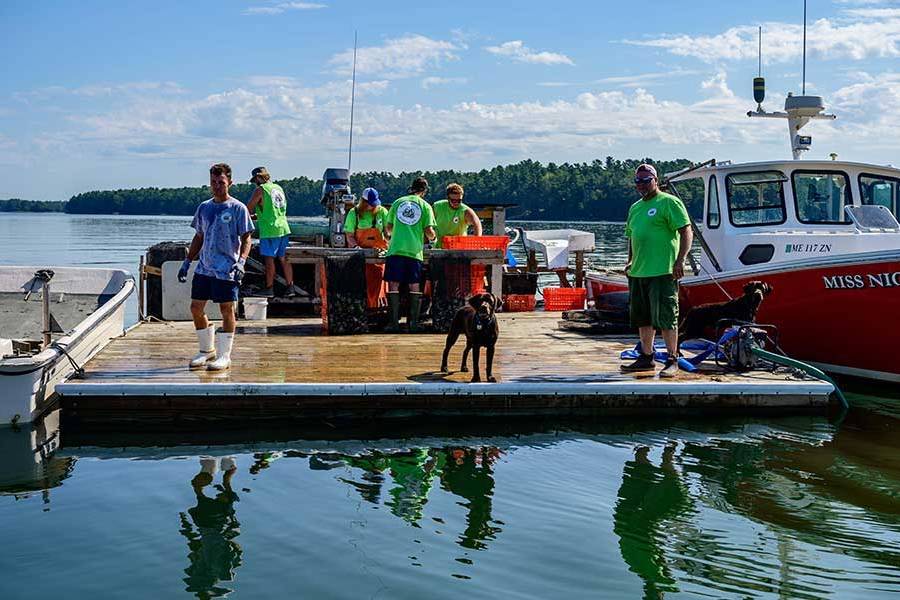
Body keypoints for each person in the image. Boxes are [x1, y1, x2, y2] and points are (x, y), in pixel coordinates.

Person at [178, 163, 254, 371]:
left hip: (227, 268)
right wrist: (187, 262)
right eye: (213, 182)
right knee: (196, 308)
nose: (217, 186)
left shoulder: (238, 208)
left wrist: (242, 261)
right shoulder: (204, 207)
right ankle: (206, 350)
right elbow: (199, 236)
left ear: (230, 182)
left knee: (226, 310)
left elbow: (247, 238)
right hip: (204, 268)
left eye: (221, 182)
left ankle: (224, 355)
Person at [620, 163, 692, 377]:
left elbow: (686, 232)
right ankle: (646, 357)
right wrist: (630, 261)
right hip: (639, 272)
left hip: (663, 271)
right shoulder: (635, 208)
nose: (641, 184)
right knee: (643, 318)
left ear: (655, 180)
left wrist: (680, 261)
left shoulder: (669, 202)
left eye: (645, 180)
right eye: (638, 181)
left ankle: (672, 359)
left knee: (667, 316)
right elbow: (632, 237)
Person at [384, 177, 436, 333]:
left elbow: (388, 227)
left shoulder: (397, 202)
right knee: (414, 284)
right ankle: (412, 323)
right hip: (414, 252)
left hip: (396, 249)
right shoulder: (425, 206)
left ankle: (393, 323)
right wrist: (434, 238)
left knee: (394, 283)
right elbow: (429, 231)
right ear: (424, 191)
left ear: (411, 188)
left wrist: (392, 236)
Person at [246, 166, 293, 298]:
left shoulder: (260, 190)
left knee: (269, 260)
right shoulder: (278, 188)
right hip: (283, 227)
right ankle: (290, 287)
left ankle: (269, 288)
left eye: (256, 179)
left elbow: (247, 209)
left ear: (258, 178)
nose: (255, 182)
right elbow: (272, 209)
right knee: (284, 259)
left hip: (270, 229)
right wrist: (258, 216)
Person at [344, 187, 390, 309]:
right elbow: (349, 235)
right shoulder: (353, 213)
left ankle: (377, 308)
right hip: (360, 256)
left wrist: (390, 243)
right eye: (370, 203)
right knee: (361, 282)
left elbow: (387, 233)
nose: (373, 206)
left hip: (378, 255)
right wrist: (355, 247)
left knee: (379, 281)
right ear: (363, 202)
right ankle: (363, 308)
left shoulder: (382, 212)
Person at [432, 183, 482, 248]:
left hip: (459, 249)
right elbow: (427, 224)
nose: (456, 203)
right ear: (448, 198)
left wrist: (476, 242)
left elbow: (477, 224)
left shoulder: (465, 210)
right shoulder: (437, 206)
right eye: (453, 200)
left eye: (459, 200)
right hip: (440, 248)